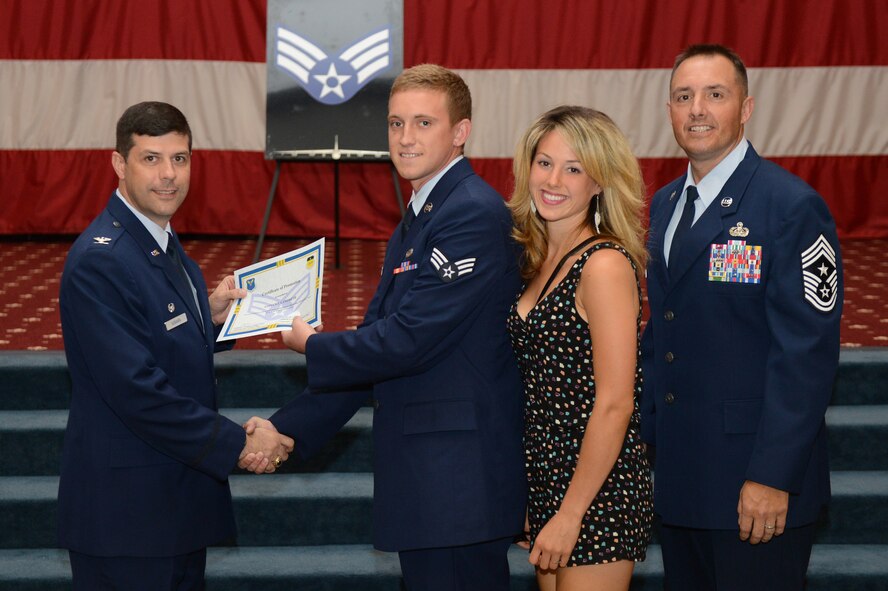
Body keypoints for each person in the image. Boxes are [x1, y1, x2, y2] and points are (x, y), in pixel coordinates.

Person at [242, 64, 526, 590]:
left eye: (423, 123)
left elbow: (406, 341)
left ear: (460, 132)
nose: (405, 138)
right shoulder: (422, 214)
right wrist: (288, 429)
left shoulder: (471, 214)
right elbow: (380, 338)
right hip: (432, 479)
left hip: (458, 481)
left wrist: (314, 344)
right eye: (396, 124)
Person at [58, 101, 294, 590]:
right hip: (128, 519)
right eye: (151, 159)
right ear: (119, 164)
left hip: (172, 508)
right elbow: (137, 390)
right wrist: (240, 443)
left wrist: (208, 318)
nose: (168, 175)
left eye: (180, 159)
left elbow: (152, 335)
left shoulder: (161, 241)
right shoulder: (101, 260)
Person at [640, 44, 843, 590]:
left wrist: (772, 476)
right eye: (684, 97)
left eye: (715, 94)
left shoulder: (790, 207)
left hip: (754, 487)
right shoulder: (663, 205)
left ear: (746, 108)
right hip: (683, 482)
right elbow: (663, 333)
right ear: (669, 111)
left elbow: (806, 356)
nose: (697, 109)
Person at [506, 106, 653, 590]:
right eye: (544, 162)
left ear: (599, 183)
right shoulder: (538, 257)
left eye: (574, 169)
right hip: (551, 480)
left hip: (598, 492)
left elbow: (616, 403)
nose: (554, 179)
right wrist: (539, 497)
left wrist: (571, 513)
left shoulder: (604, 264)